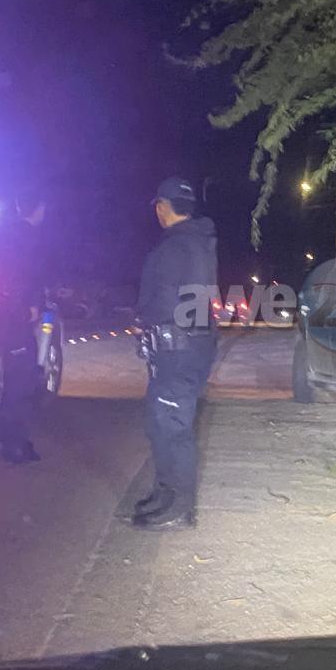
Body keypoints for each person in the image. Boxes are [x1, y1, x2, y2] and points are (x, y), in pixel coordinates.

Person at [133, 177, 218, 529]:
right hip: (185, 347)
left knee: (172, 425)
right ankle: (165, 491)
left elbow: (166, 299)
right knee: (160, 422)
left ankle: (180, 506)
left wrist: (144, 321)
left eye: (158, 205)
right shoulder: (195, 242)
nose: (157, 211)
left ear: (164, 207)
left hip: (178, 350)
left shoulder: (177, 247)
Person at [0, 184, 46, 463]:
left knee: (14, 376)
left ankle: (6, 438)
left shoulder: (4, 235)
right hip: (16, 313)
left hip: (4, 311)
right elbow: (28, 275)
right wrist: (31, 304)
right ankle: (13, 444)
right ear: (40, 209)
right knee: (21, 380)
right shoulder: (28, 238)